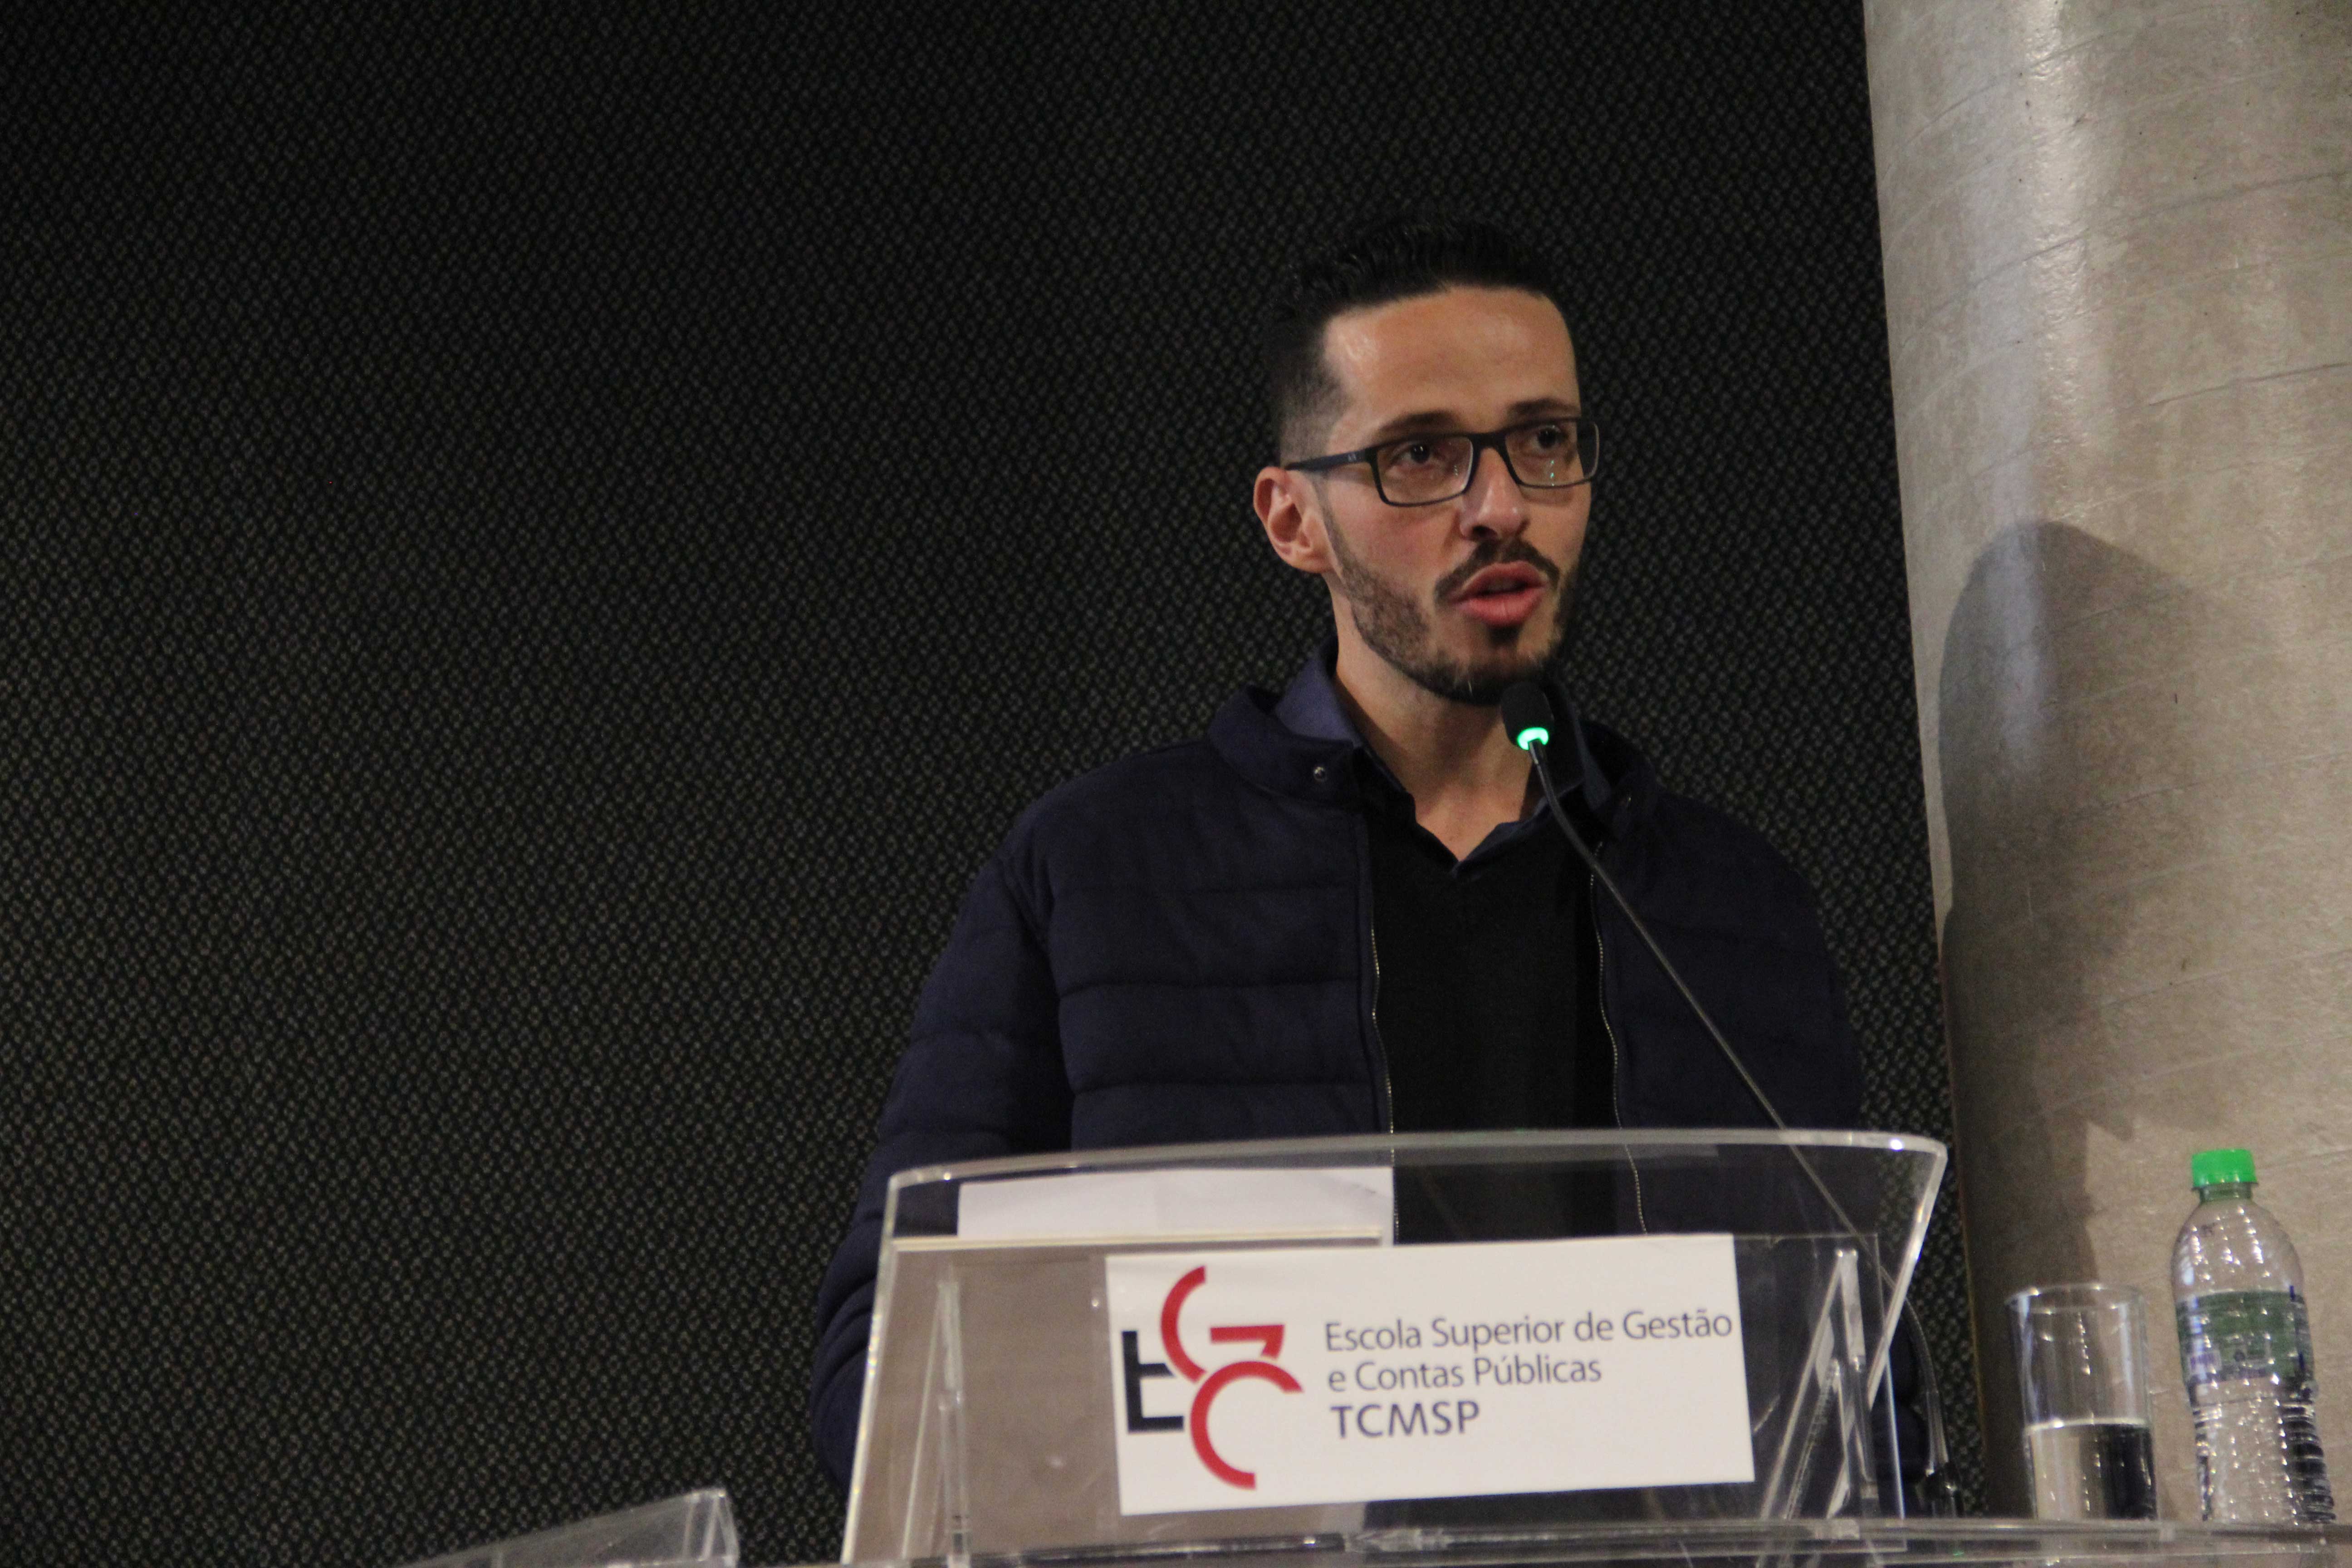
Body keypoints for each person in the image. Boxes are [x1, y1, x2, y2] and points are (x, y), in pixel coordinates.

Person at [807, 216, 1866, 1493]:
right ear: (1293, 519)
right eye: (1421, 455)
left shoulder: (1729, 905)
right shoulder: (1096, 874)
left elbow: (1864, 1384)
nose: (1501, 508)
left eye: (1543, 441)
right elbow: (885, 1375)